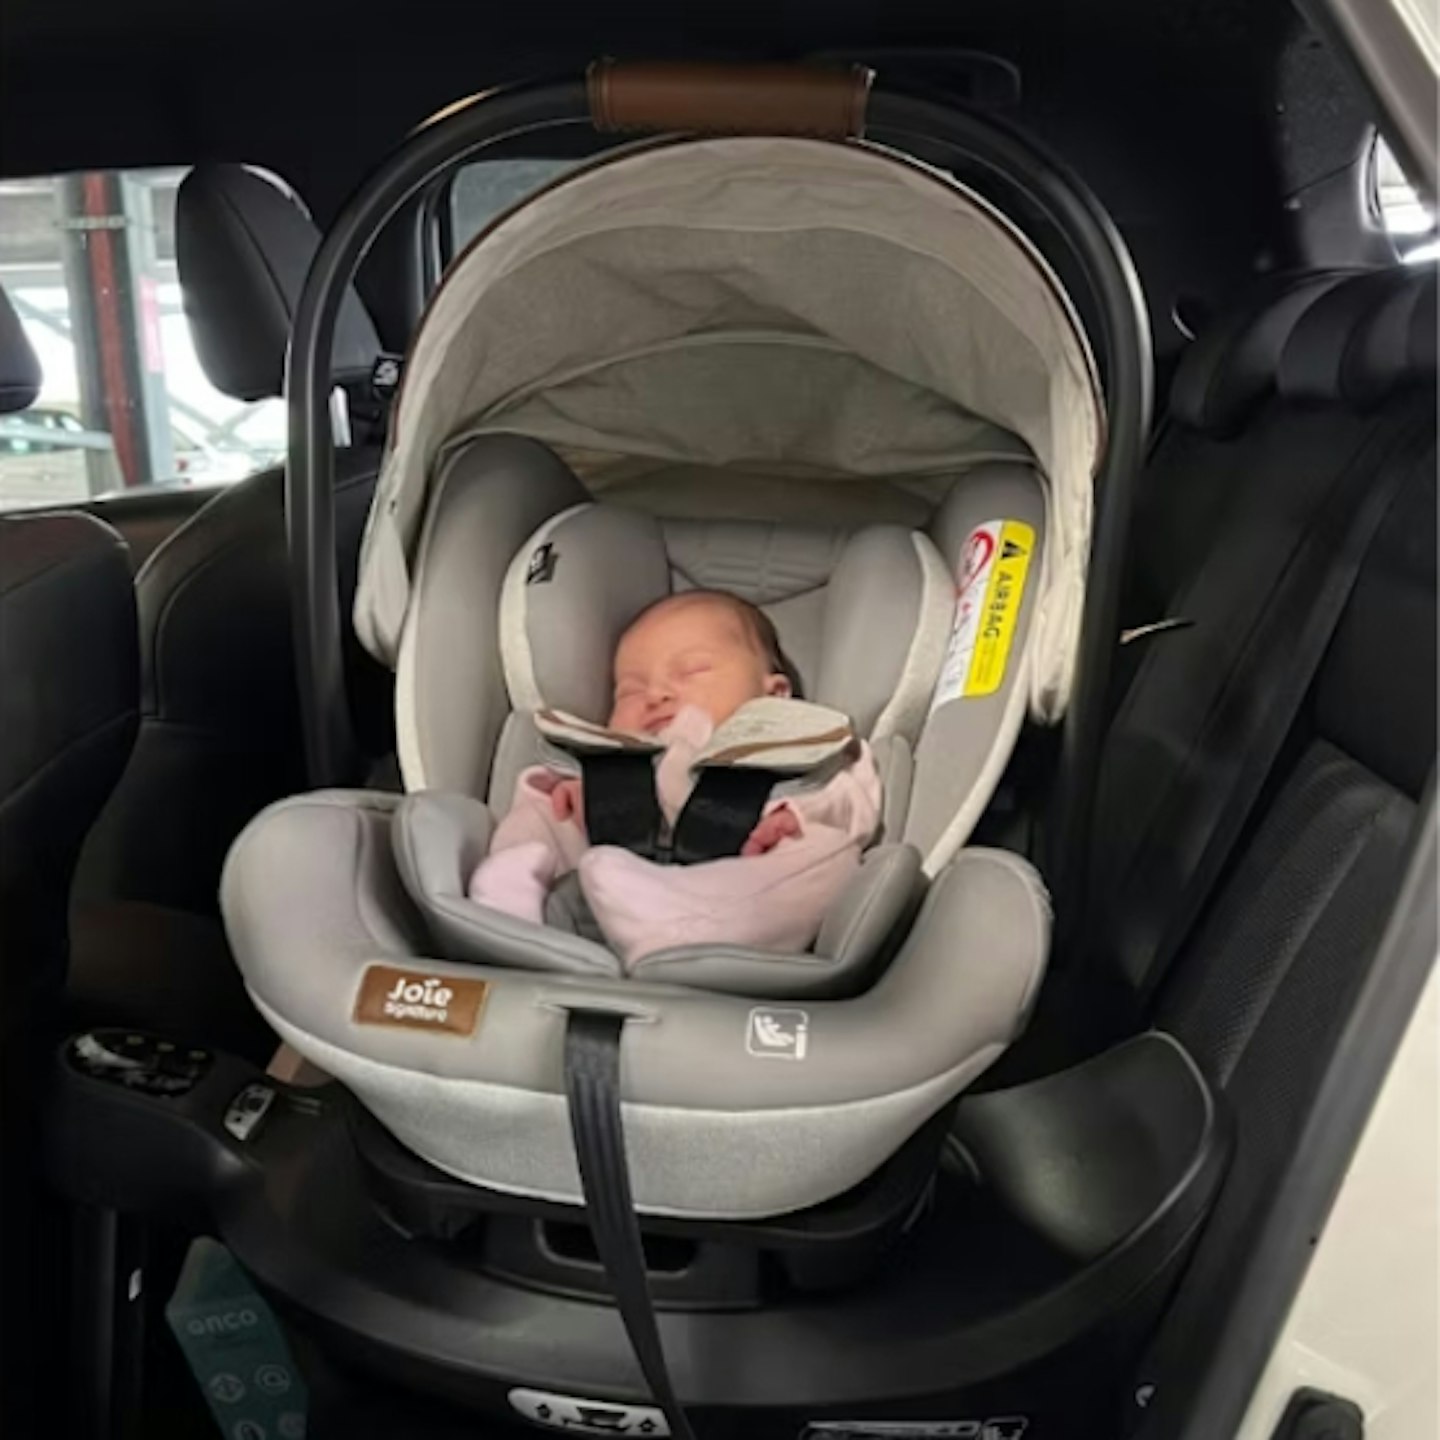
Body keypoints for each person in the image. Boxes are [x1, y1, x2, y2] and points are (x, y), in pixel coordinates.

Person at [468, 590, 881, 965]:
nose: (656, 695)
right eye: (629, 690)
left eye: (692, 671)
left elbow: (855, 795)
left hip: (744, 882)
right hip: (605, 880)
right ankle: (512, 898)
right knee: (545, 803)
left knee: (831, 854)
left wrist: (800, 813)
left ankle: (698, 923)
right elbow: (559, 793)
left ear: (773, 694)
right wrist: (583, 795)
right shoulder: (610, 758)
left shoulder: (797, 745)